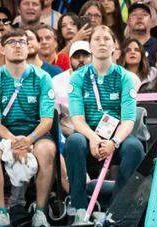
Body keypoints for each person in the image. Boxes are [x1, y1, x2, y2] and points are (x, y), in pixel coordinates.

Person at [64, 26, 145, 225]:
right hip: (87, 135)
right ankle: (79, 210)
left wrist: (114, 142)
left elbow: (128, 119)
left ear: (114, 46)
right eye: (97, 39)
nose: (102, 42)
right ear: (90, 46)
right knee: (74, 141)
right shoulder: (78, 78)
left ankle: (116, 211)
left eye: (106, 39)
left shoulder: (125, 77)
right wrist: (93, 137)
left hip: (117, 136)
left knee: (135, 148)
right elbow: (77, 119)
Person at [0, 30, 57, 227]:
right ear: (2, 49)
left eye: (22, 42)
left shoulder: (42, 77)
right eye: (11, 42)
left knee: (47, 149)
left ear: (28, 47)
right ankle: (1, 211)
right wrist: (14, 141)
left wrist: (29, 140)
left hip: (36, 133)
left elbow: (47, 120)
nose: (17, 45)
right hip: (4, 133)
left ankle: (40, 213)